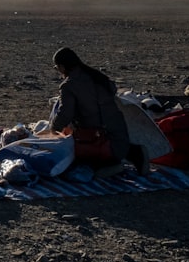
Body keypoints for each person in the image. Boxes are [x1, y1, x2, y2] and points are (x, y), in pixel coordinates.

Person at [49, 47, 146, 176]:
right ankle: (134, 153)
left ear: (62, 66)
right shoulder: (97, 76)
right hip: (120, 139)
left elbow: (65, 114)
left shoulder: (69, 85)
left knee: (72, 160)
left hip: (97, 140)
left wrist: (53, 130)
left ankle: (109, 166)